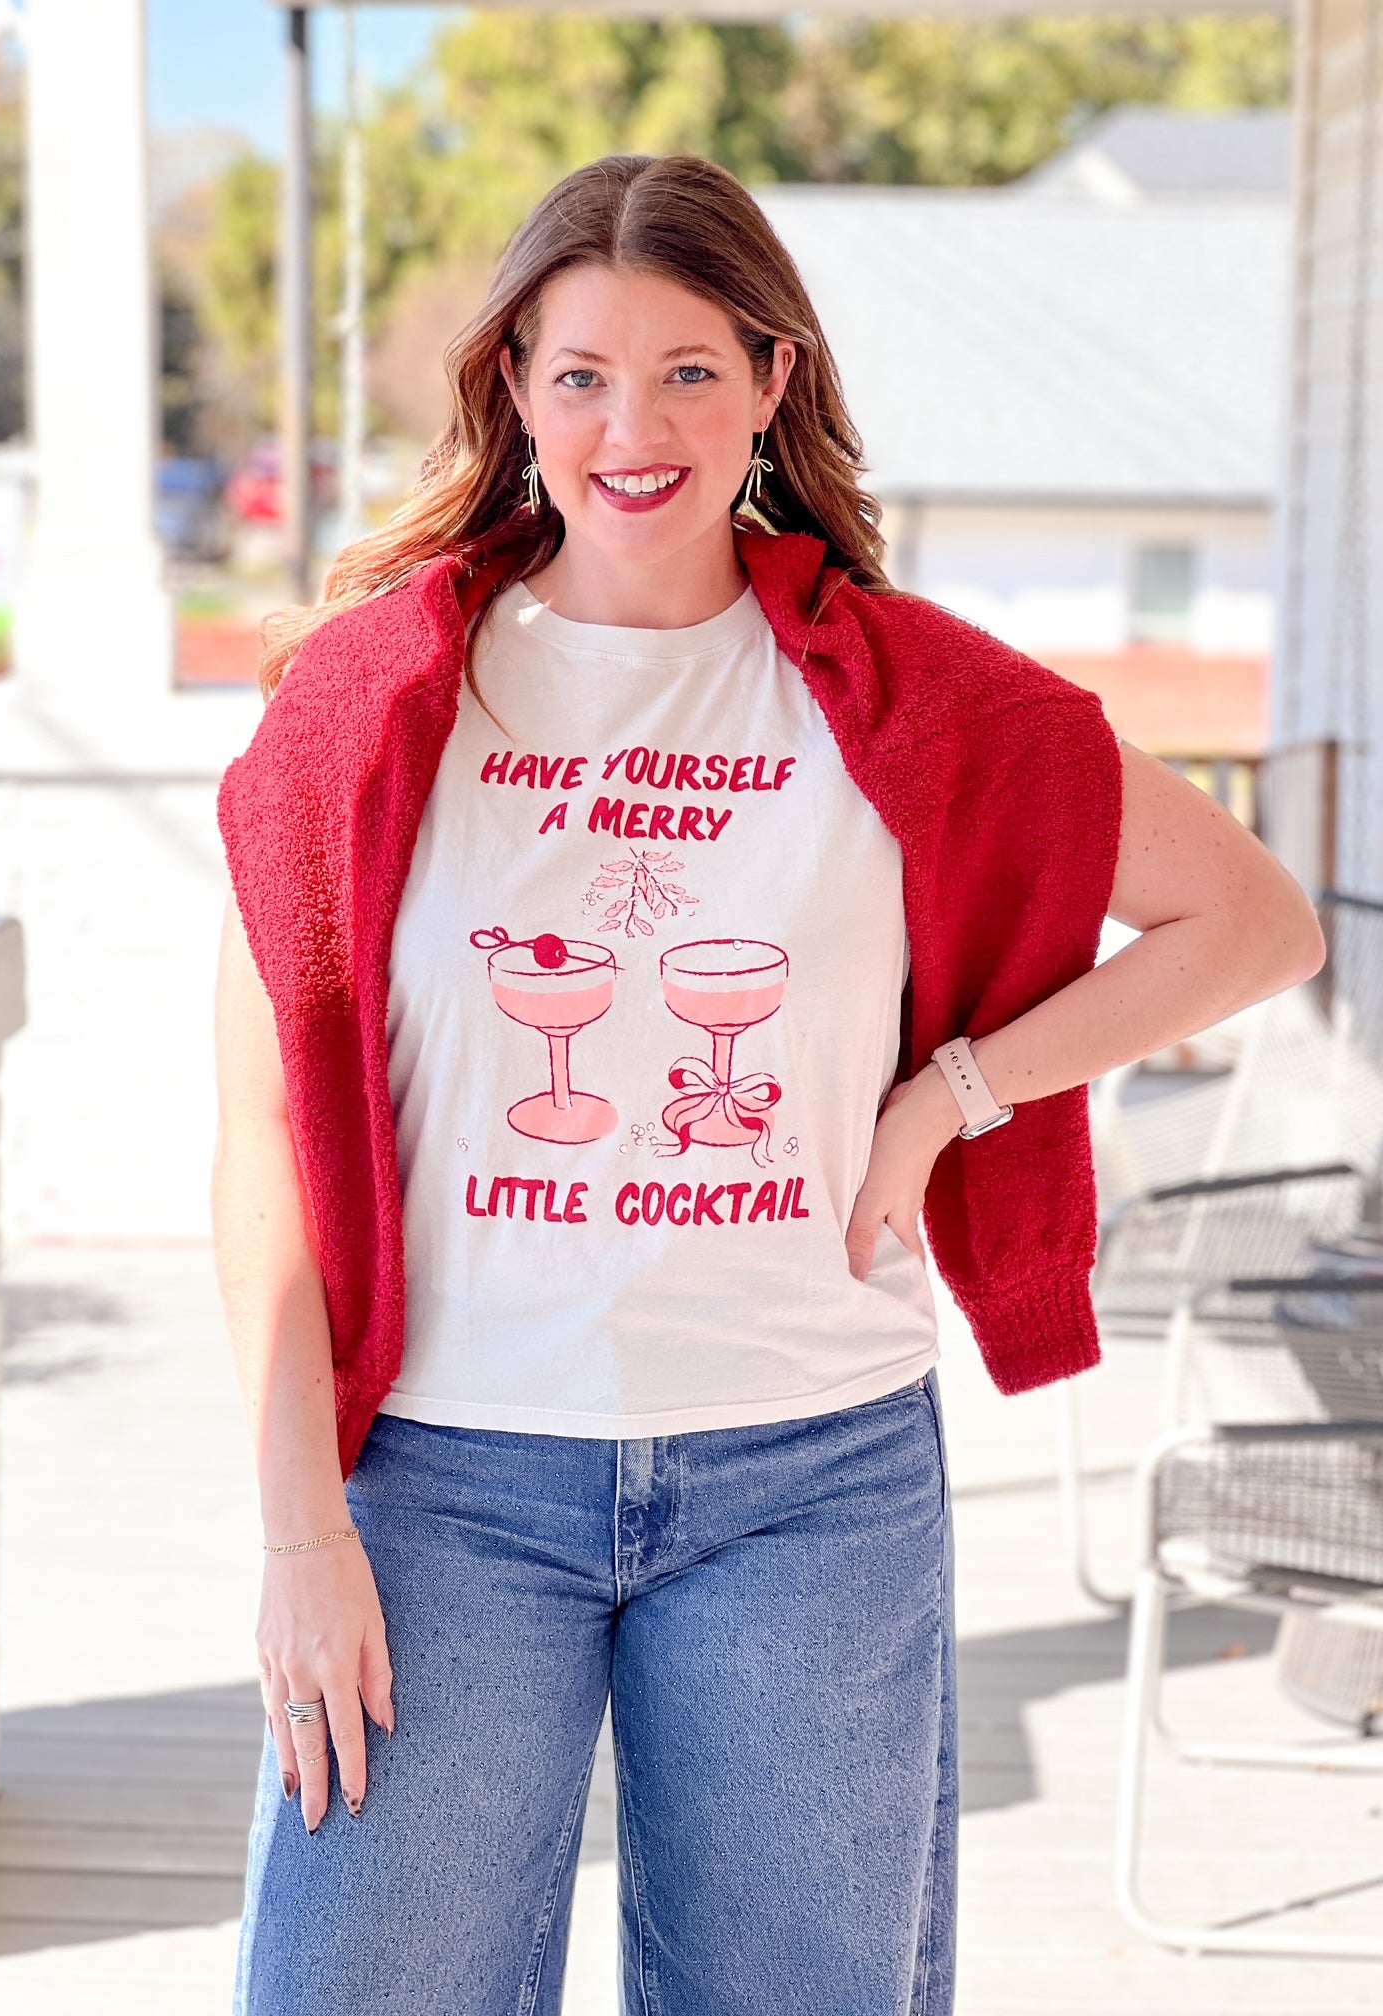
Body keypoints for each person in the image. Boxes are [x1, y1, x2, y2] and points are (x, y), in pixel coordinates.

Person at [212, 153, 1323, 2015]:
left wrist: (952, 1093)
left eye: (689, 373)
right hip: (443, 1482)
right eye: (578, 376)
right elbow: (261, 1131)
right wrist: (294, 1528)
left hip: (810, 1476)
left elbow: (1254, 920)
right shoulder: (367, 702)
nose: (630, 429)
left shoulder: (914, 699)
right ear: (513, 392)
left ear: (773, 384)